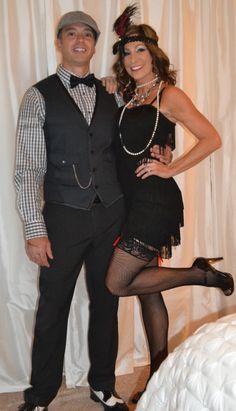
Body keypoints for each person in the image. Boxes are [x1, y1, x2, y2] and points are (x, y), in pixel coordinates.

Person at [14, 10, 172, 411]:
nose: (80, 40)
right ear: (60, 42)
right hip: (63, 217)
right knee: (53, 308)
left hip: (111, 214)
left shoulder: (114, 93)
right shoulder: (38, 95)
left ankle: (103, 385)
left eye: (87, 34)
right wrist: (35, 229)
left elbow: (140, 132)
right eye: (71, 33)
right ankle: (40, 396)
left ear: (96, 44)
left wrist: (163, 150)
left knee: (108, 302)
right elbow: (27, 168)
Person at [105, 6, 234, 404]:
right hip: (131, 202)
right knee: (146, 292)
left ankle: (201, 275)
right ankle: (159, 375)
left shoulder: (169, 94)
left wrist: (171, 168)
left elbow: (212, 138)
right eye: (127, 54)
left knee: (117, 282)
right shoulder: (129, 95)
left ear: (154, 54)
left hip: (156, 202)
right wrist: (111, 87)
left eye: (140, 51)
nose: (133, 59)